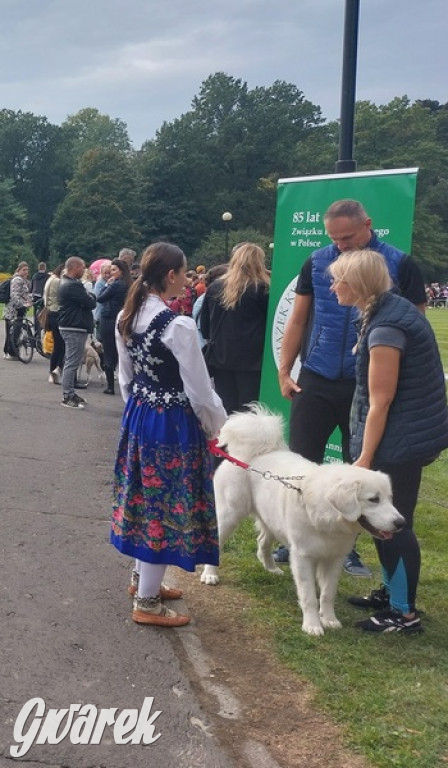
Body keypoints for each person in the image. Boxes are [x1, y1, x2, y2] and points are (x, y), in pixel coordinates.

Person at [275, 199, 427, 572]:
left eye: (348, 236)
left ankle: (349, 545)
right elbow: (298, 318)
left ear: (368, 225)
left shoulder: (400, 264)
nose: (341, 244)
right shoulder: (316, 260)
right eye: (334, 238)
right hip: (317, 376)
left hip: (364, 386)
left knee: (357, 469)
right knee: (300, 460)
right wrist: (284, 368)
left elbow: (416, 325)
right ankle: (295, 538)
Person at [329, 249, 448, 633]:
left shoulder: (386, 328)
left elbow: (382, 399)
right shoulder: (388, 310)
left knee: (394, 523)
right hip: (403, 434)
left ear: (358, 285)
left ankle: (403, 613)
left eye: (339, 280)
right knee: (381, 522)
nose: (333, 287)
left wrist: (365, 456)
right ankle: (390, 593)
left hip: (398, 441)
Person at [111, 242, 227, 627]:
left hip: (141, 416)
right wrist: (217, 426)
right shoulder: (178, 326)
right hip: (172, 423)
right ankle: (146, 601)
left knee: (146, 499)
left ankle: (142, 580)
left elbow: (125, 377)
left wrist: (138, 409)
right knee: (163, 505)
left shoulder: (127, 316)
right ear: (172, 275)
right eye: (184, 271)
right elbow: (199, 390)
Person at [200, 242, 270, 414]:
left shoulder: (215, 287)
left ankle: (227, 440)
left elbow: (205, 327)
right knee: (249, 409)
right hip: (252, 360)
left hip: (221, 357)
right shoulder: (263, 289)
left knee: (227, 407)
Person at [58, 256, 96, 409]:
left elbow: (88, 300)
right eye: (82, 267)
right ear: (75, 267)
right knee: (72, 362)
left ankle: (71, 393)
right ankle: (67, 396)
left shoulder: (70, 283)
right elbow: (91, 302)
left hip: (73, 325)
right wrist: (89, 296)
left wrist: (88, 297)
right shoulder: (71, 286)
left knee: (72, 361)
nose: (84, 270)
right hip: (73, 326)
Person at [96, 258, 131, 395]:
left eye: (114, 270)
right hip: (123, 318)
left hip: (109, 319)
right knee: (123, 351)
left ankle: (110, 386)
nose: (111, 272)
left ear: (121, 271)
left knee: (109, 352)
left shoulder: (116, 285)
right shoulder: (128, 285)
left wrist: (107, 285)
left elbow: (100, 298)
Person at [3, 262, 32, 360]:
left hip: (15, 310)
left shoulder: (23, 280)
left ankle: (9, 352)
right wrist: (22, 304)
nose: (26, 272)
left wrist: (30, 300)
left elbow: (24, 294)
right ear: (18, 269)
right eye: (24, 270)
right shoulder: (17, 280)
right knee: (13, 332)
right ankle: (11, 353)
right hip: (13, 311)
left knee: (12, 332)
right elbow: (14, 295)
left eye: (27, 270)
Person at [43, 263, 65, 384]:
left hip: (51, 312)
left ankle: (54, 370)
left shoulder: (51, 279)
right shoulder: (57, 281)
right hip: (56, 313)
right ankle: (55, 370)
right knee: (59, 345)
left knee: (58, 344)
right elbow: (60, 297)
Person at [93, 261, 112, 339]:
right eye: (105, 273)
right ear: (101, 273)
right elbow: (99, 298)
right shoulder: (100, 283)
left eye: (109, 273)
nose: (107, 275)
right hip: (100, 313)